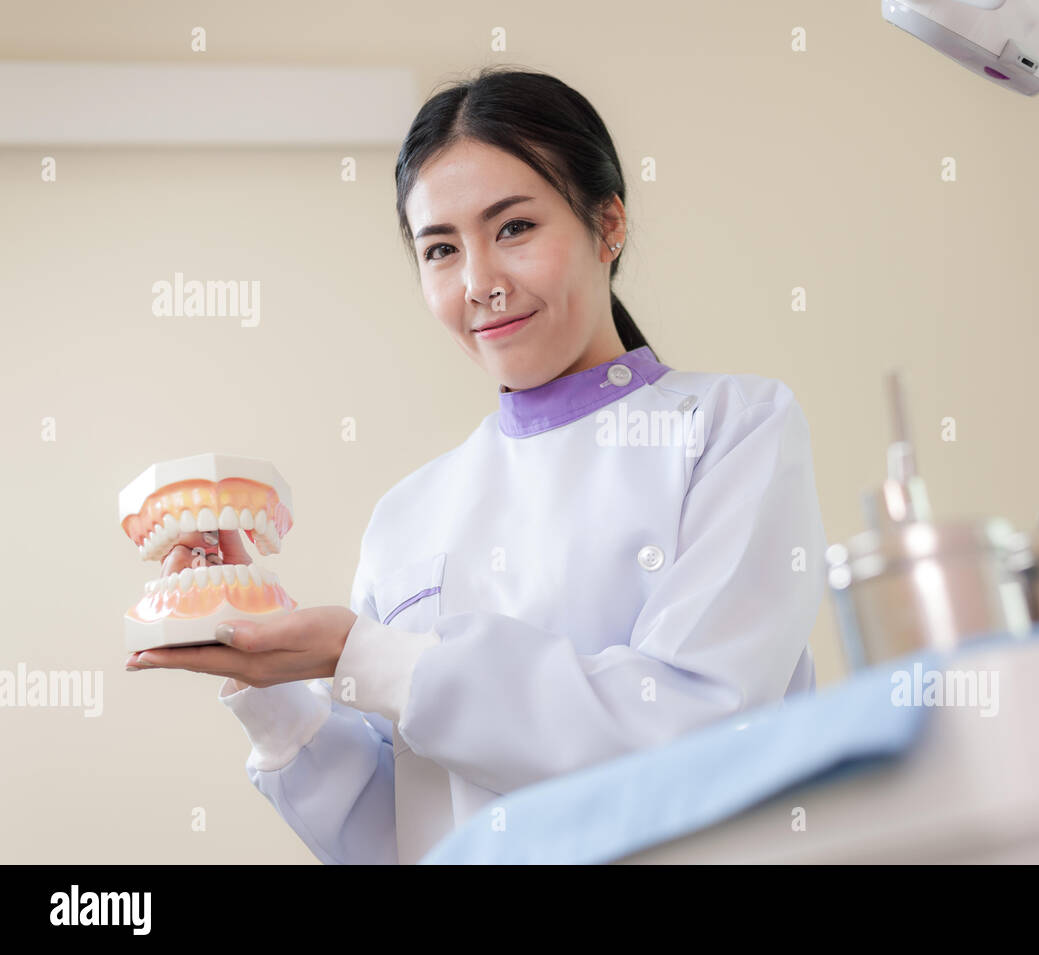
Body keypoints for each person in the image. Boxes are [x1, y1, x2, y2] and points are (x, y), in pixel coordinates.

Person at [125, 66, 827, 865]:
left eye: (515, 228)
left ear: (609, 223)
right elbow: (394, 838)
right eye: (440, 249)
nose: (481, 283)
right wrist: (275, 686)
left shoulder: (735, 429)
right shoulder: (408, 514)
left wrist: (363, 653)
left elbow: (690, 729)